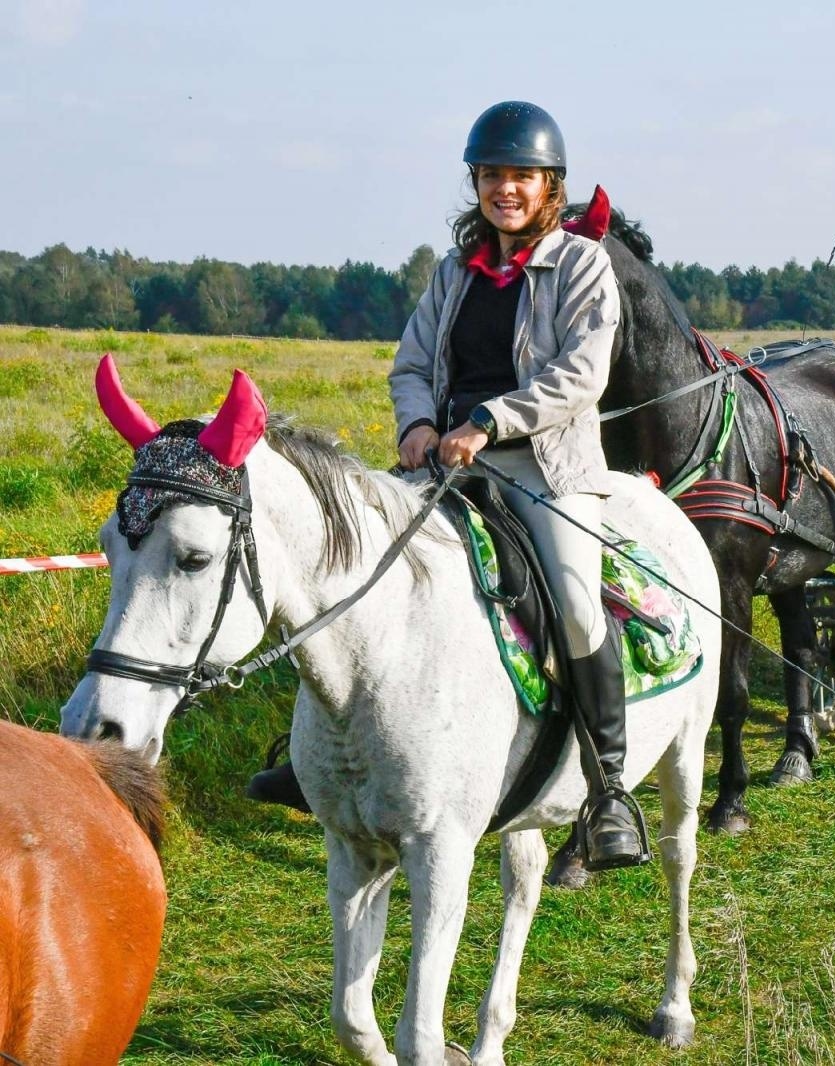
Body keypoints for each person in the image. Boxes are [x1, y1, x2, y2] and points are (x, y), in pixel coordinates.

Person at [250, 102, 649, 871]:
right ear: (477, 182)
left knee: (571, 596)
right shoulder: (455, 272)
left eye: (521, 176)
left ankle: (609, 790)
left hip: (546, 467)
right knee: (345, 571)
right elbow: (410, 364)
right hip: (447, 466)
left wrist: (489, 420)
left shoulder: (580, 264)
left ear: (549, 185)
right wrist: (414, 427)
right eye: (493, 175)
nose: (506, 188)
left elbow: (580, 375)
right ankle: (315, 760)